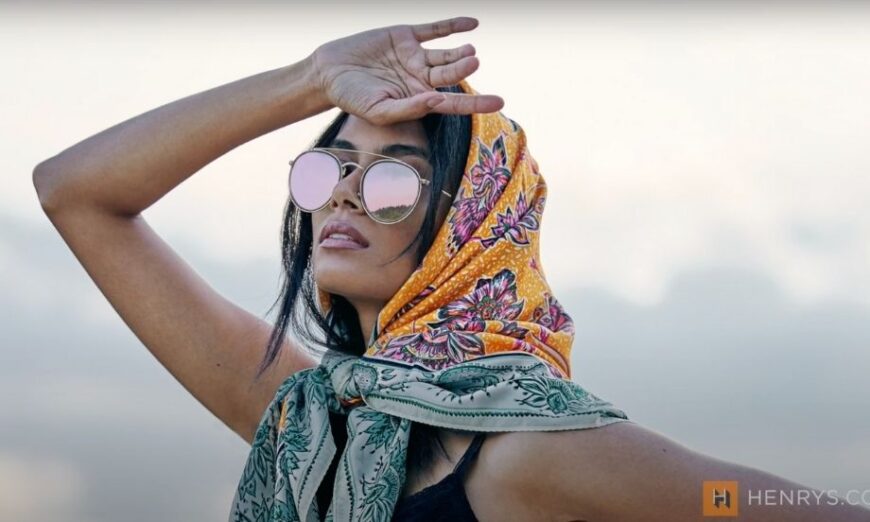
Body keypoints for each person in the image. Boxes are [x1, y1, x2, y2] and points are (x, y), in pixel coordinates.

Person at [33, 15, 870, 522]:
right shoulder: (307, 423)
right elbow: (74, 192)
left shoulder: (530, 454)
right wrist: (313, 79)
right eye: (331, 167)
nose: (348, 196)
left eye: (393, 175)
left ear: (475, 223)